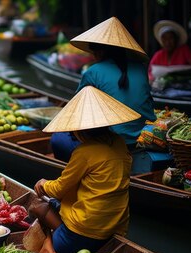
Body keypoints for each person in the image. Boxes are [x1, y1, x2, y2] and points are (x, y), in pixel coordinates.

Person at [33, 86, 140, 253]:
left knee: (37, 207)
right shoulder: (119, 142)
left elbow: (59, 189)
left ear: (79, 131)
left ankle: (49, 246)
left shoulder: (85, 152)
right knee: (50, 206)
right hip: (116, 223)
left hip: (86, 227)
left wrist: (43, 183)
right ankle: (53, 240)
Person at [50, 17, 155, 162]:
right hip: (146, 137)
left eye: (93, 51)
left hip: (115, 142)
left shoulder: (93, 72)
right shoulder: (141, 68)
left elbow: (77, 113)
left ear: (100, 52)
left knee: (58, 138)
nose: (93, 55)